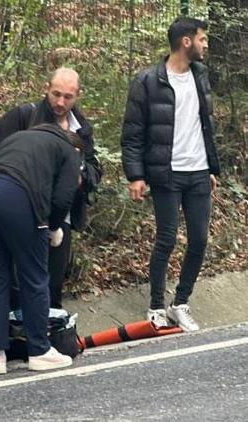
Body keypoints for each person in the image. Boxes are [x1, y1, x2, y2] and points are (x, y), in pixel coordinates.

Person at [121, 17, 219, 332]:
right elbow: (133, 133)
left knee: (200, 239)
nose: (206, 44)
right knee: (166, 239)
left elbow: (205, 124)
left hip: (199, 172)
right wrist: (135, 175)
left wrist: (211, 167)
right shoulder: (148, 80)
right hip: (167, 173)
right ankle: (155, 307)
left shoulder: (201, 76)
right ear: (186, 41)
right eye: (202, 39)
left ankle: (181, 302)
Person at [0, 67, 102, 309]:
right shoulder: (25, 117)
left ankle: (48, 335)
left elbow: (95, 168)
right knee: (17, 280)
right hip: (21, 211)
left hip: (61, 213)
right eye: (56, 94)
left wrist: (81, 176)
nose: (60, 102)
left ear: (78, 95)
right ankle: (16, 338)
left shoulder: (81, 128)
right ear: (46, 89)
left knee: (53, 282)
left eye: (68, 97)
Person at [0, 124, 81, 375]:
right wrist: (54, 227)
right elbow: (64, 196)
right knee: (34, 275)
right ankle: (39, 350)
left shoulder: (20, 137)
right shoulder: (68, 150)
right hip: (17, 195)